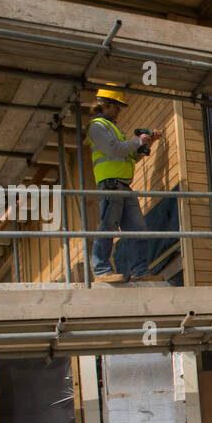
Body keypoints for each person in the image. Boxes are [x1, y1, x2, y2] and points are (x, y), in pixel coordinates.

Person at [86, 85, 161, 284]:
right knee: (108, 226)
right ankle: (102, 271)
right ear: (106, 105)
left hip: (124, 186)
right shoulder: (97, 126)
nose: (120, 110)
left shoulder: (114, 128)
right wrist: (138, 141)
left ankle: (140, 272)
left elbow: (129, 158)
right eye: (117, 106)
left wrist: (146, 144)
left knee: (137, 228)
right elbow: (114, 150)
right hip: (110, 185)